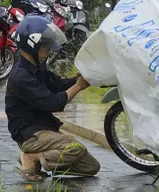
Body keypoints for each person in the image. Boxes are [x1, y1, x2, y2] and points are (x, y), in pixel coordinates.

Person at [5, 15, 100, 181]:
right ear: (32, 45)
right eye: (46, 45)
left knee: (91, 167)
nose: (49, 49)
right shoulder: (20, 77)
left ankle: (40, 160)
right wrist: (78, 87)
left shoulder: (37, 67)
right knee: (75, 148)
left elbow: (57, 84)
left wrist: (76, 80)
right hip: (30, 134)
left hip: (45, 128)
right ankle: (32, 158)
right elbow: (54, 103)